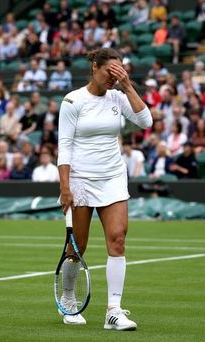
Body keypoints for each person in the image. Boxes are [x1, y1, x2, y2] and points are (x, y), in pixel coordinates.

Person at [57, 48, 152, 329]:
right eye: (110, 72)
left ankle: (114, 310)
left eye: (119, 72)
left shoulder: (118, 97)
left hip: (112, 178)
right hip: (81, 180)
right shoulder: (72, 100)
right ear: (94, 67)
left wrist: (126, 84)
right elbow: (64, 146)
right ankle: (69, 298)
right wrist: (65, 187)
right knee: (78, 247)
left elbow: (146, 121)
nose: (114, 78)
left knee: (118, 239)